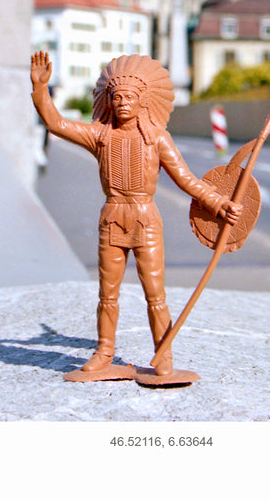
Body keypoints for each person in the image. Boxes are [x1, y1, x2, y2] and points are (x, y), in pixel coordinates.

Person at [30, 50, 241, 377]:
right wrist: (41, 90)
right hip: (112, 218)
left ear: (143, 101)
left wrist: (217, 203)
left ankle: (164, 352)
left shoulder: (157, 138)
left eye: (129, 97)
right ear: (108, 102)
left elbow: (186, 179)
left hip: (146, 220)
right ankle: (104, 351)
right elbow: (55, 123)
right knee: (107, 293)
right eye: (116, 97)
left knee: (155, 292)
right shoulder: (100, 136)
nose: (122, 103)